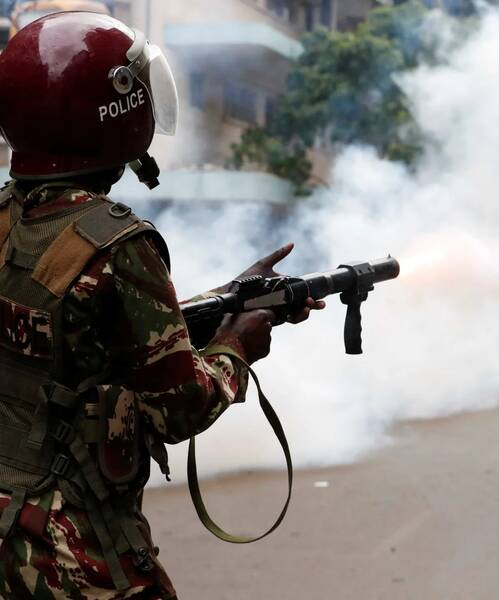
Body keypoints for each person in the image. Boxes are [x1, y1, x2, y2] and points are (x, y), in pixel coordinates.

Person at [0, 11, 323, 599]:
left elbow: (67, 334)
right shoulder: (115, 243)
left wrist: (226, 299)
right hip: (68, 548)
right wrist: (236, 346)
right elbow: (180, 407)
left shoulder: (5, 221)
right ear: (115, 114)